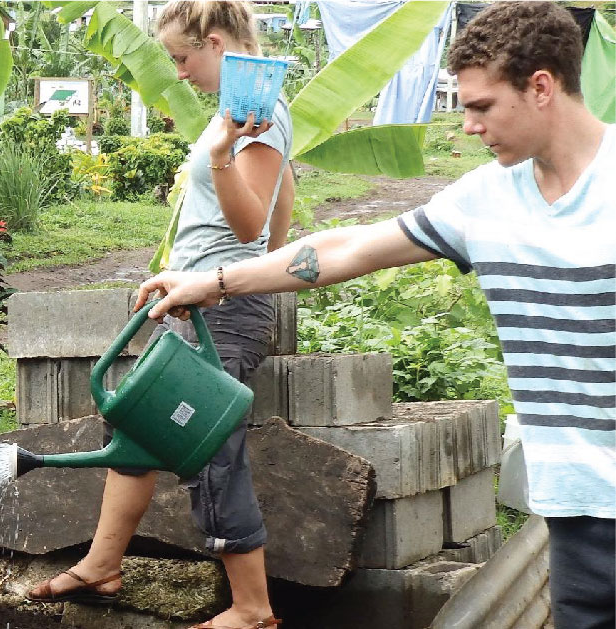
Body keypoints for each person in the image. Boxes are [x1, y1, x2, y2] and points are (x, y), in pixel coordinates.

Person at [136, 3, 614, 628]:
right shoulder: (486, 201)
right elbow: (345, 248)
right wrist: (215, 281)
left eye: (481, 107)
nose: (466, 126)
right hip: (577, 511)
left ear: (542, 88)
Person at [26, 3, 291, 628]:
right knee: (141, 431)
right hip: (199, 296)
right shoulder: (245, 112)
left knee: (208, 449)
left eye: (182, 57)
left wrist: (224, 157)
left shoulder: (256, 115)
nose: (177, 71)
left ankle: (253, 610)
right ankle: (102, 564)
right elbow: (285, 199)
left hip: (221, 306)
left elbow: (250, 221)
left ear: (217, 43)